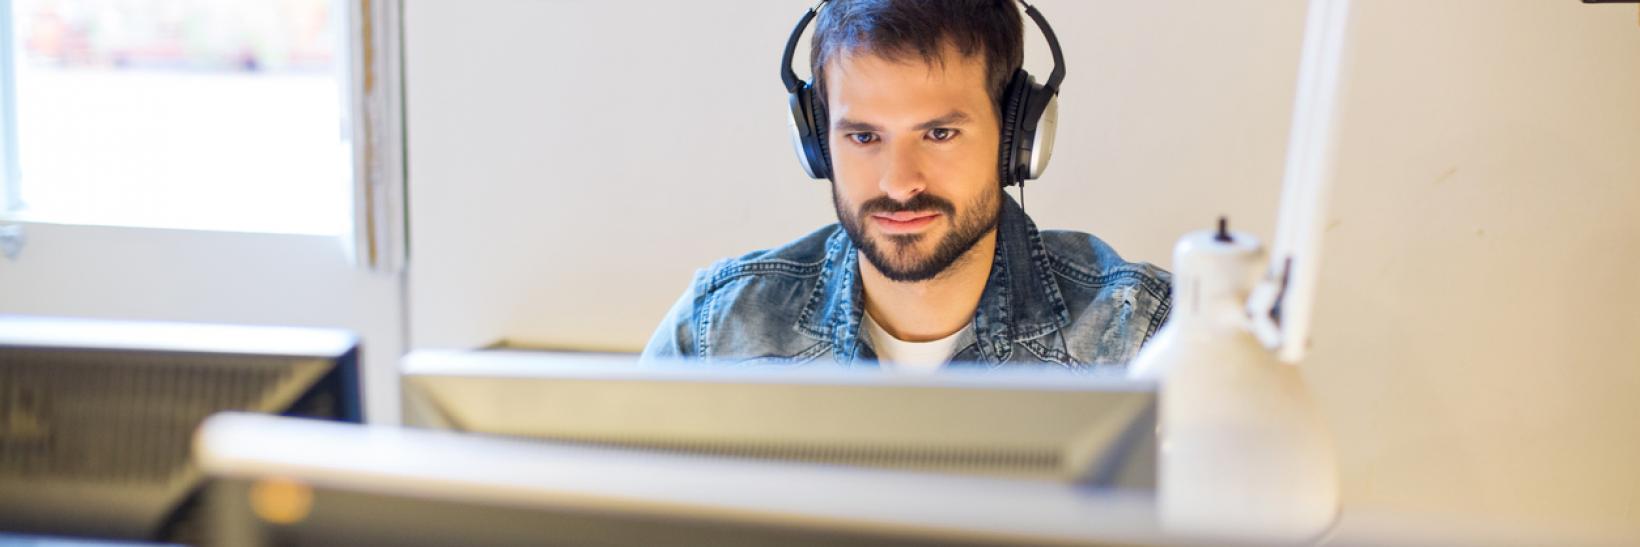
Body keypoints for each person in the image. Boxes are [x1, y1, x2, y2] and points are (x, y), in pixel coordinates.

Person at [643, 0, 1170, 371]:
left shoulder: (1144, 337)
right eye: (865, 136)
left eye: (939, 133)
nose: (899, 183)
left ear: (1017, 138)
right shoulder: (714, 333)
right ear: (817, 143)